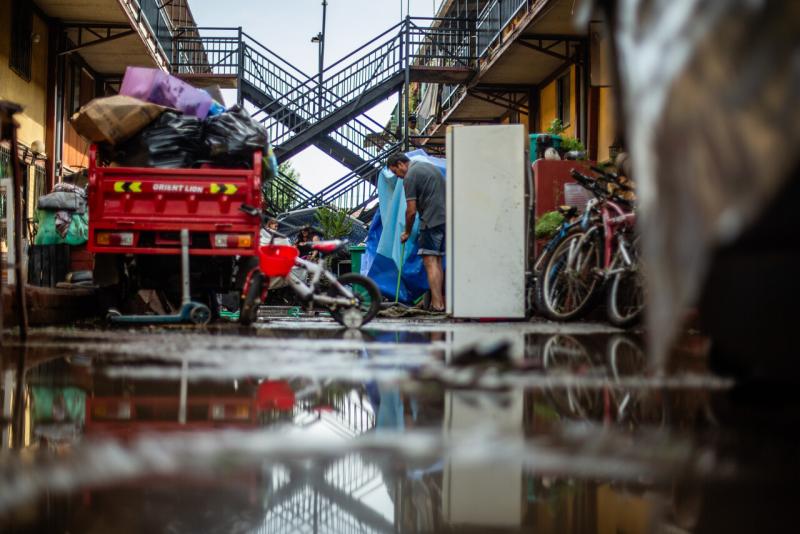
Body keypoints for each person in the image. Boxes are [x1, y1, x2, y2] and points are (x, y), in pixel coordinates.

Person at [386, 153, 446, 312]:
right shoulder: (428, 167)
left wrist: (406, 232)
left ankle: (437, 304)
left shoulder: (410, 176)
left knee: (430, 261)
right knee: (438, 260)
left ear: (400, 164)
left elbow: (411, 211)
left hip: (431, 222)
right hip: (446, 220)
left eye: (394, 172)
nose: (397, 176)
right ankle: (438, 303)